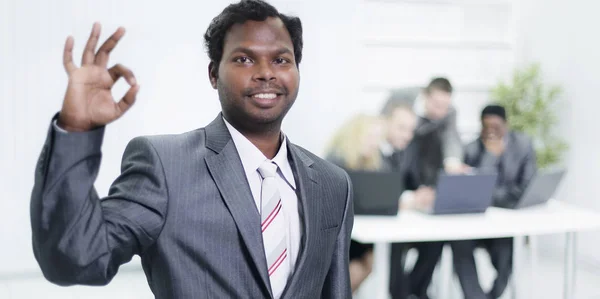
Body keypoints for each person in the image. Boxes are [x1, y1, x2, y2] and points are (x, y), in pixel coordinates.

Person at [30, 1, 353, 298]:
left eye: (281, 60)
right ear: (213, 74)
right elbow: (75, 258)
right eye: (244, 59)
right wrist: (75, 130)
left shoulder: (332, 184)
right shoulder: (166, 167)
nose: (266, 72)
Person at [450, 105, 537, 299]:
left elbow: (527, 187)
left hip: (505, 223)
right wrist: (490, 156)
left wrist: (494, 196)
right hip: (475, 224)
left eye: (495, 126)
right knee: (459, 243)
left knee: (507, 250)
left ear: (506, 125)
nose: (490, 131)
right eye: (486, 126)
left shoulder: (523, 145)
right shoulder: (471, 149)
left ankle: (493, 295)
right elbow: (472, 190)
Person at [380, 101, 443, 299]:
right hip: (379, 226)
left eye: (410, 130)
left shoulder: (408, 149)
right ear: (386, 124)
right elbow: (376, 193)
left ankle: (416, 291)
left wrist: (423, 192)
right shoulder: (373, 150)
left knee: (436, 239)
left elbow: (413, 182)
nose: (407, 135)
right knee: (395, 243)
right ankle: (400, 293)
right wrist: (406, 198)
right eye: (401, 128)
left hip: (403, 220)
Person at [324, 114, 385, 293]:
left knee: (370, 261)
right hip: (336, 233)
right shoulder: (336, 161)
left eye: (377, 138)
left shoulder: (372, 162)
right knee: (361, 264)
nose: (375, 143)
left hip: (359, 231)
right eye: (370, 137)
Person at [413, 78, 470, 184]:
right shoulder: (410, 107)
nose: (441, 111)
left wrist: (452, 161)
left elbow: (451, 136)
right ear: (425, 96)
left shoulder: (450, 111)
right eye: (437, 105)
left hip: (432, 159)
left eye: (445, 106)